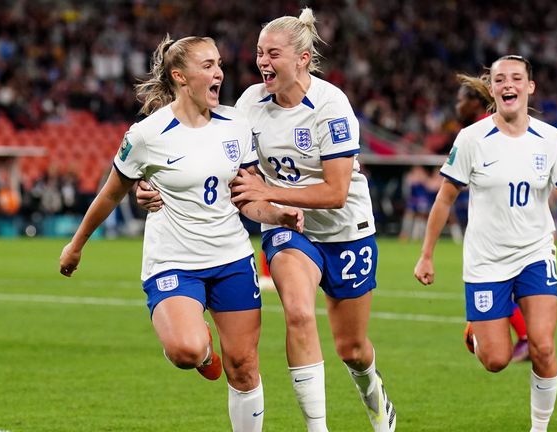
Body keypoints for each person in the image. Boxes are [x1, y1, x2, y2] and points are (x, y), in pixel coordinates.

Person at [137, 9, 396, 432]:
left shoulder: (331, 106)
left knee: (352, 348)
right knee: (297, 311)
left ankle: (373, 389)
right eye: (259, 53)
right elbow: (220, 164)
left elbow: (334, 193)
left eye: (273, 53)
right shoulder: (248, 106)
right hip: (287, 228)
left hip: (346, 230)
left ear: (303, 59)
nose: (262, 62)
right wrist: (153, 187)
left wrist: (268, 191)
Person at [59, 34, 304, 432]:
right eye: (207, 65)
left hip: (230, 258)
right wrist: (76, 245)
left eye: (219, 63)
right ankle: (205, 352)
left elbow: (247, 199)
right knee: (185, 350)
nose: (218, 72)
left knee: (243, 367)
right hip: (173, 260)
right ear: (180, 76)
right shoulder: (146, 135)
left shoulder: (236, 125)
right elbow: (109, 194)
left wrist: (278, 215)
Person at [414, 55, 557, 432]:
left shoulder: (551, 139)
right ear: (491, 89)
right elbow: (445, 198)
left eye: (516, 78)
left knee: (542, 346)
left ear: (529, 87)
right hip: (485, 261)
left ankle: (538, 429)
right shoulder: (472, 139)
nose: (508, 84)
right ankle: (476, 332)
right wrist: (426, 255)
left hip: (535, 254)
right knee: (496, 360)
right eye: (500, 79)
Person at [455, 73, 531, 362]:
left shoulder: (481, 133)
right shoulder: (495, 129)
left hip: (501, 228)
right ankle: (528, 339)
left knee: (504, 285)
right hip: (513, 222)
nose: (456, 106)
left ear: (475, 103)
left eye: (460, 100)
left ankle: (523, 338)